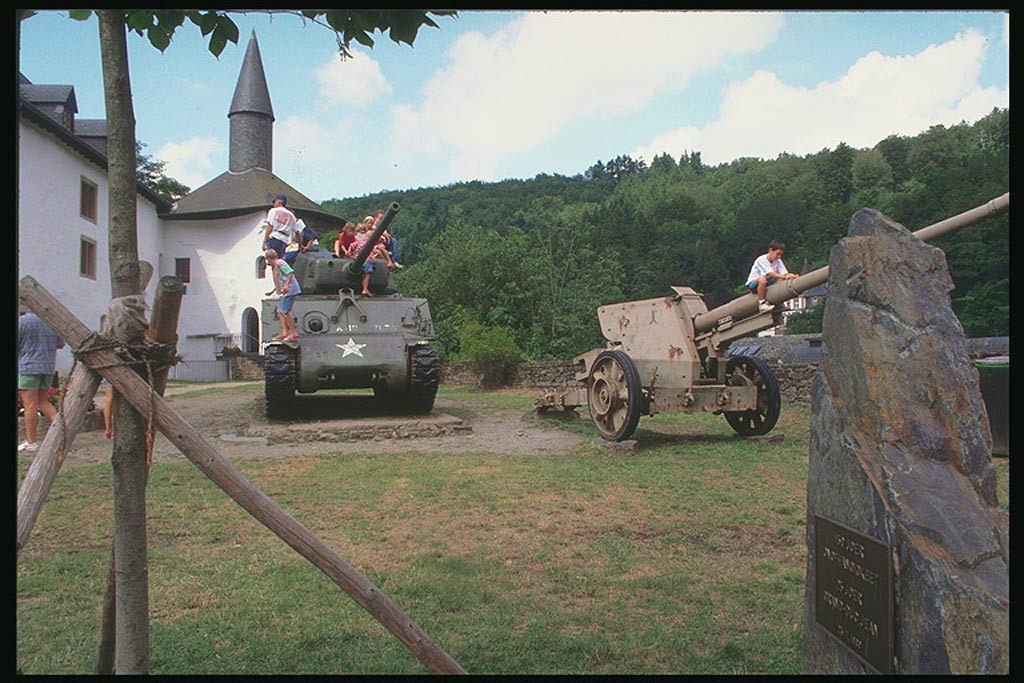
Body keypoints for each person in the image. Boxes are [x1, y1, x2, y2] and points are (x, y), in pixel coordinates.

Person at [18, 310, 65, 452]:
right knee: (43, 402)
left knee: (30, 405)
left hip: (28, 367)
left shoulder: (22, 322)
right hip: (48, 367)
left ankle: (31, 441)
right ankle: (63, 433)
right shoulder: (50, 321)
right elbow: (60, 344)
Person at [745, 239, 798, 312]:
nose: (779, 257)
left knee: (780, 279)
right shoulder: (761, 260)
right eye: (777, 254)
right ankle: (762, 303)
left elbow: (784, 273)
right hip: (753, 284)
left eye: (781, 255)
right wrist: (784, 277)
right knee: (763, 280)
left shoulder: (778, 261)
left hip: (768, 282)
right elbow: (770, 274)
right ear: (771, 250)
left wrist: (792, 276)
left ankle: (779, 301)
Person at [265, 248, 302, 341]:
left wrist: (286, 285)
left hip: (290, 290)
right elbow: (277, 278)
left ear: (269, 258)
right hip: (284, 292)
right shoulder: (275, 266)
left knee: (285, 311)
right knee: (280, 311)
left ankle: (293, 333)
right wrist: (278, 289)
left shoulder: (280, 263)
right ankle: (284, 332)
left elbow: (290, 272)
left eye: (267, 259)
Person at [260, 194, 299, 263]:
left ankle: (275, 273)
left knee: (271, 260)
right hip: (284, 240)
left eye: (274, 202)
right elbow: (297, 232)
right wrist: (300, 245)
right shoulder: (291, 215)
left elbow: (270, 227)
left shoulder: (273, 211)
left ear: (279, 202)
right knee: (279, 261)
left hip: (275, 237)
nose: (274, 204)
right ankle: (279, 273)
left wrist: (264, 241)